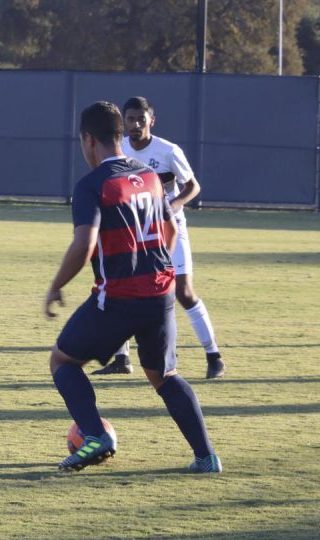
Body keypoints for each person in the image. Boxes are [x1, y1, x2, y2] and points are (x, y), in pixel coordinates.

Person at [45, 101, 221, 473]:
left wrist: (56, 285)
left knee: (62, 360)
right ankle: (207, 457)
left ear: (88, 139)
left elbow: (84, 244)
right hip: (160, 293)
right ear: (120, 136)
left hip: (119, 297)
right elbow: (171, 229)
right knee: (164, 376)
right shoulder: (151, 176)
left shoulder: (93, 185)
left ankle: (94, 435)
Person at [93, 96, 225, 379]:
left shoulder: (168, 151)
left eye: (142, 119)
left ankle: (214, 355)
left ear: (151, 121)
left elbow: (193, 186)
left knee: (183, 291)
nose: (136, 124)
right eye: (130, 119)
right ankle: (122, 358)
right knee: (122, 285)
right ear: (123, 121)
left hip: (168, 228)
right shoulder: (120, 149)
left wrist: (173, 206)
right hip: (134, 230)